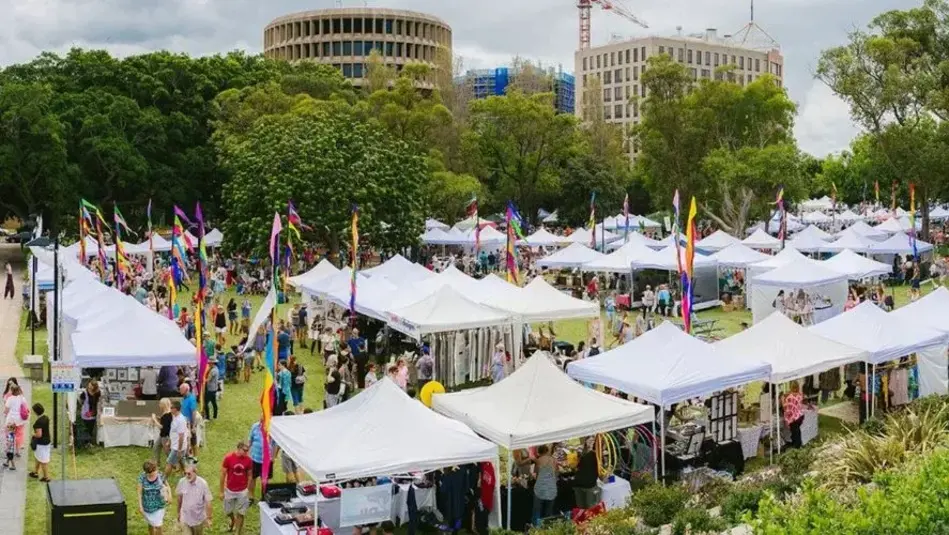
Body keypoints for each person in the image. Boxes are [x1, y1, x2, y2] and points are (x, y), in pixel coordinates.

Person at [220, 441, 253, 535]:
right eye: (245, 450)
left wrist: (247, 488)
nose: (247, 452)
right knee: (228, 511)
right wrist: (221, 491)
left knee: (241, 512)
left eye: (248, 450)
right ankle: (233, 520)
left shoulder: (248, 460)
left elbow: (250, 475)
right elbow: (223, 474)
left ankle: (237, 532)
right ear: (238, 448)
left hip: (242, 491)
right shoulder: (228, 458)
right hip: (230, 489)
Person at [176, 462, 213, 535]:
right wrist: (178, 512)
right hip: (185, 518)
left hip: (198, 519)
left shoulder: (203, 484)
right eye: (185, 473)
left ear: (195, 472)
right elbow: (179, 498)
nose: (187, 476)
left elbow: (208, 502)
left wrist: (209, 518)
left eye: (189, 473)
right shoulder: (182, 482)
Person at [247, 418, 278, 501]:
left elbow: (275, 444)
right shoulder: (255, 426)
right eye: (262, 419)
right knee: (252, 478)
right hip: (254, 458)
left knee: (265, 480)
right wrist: (246, 451)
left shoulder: (272, 429)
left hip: (267, 460)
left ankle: (264, 497)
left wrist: (274, 457)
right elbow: (250, 440)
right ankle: (251, 496)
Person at [139, 460, 169, 535]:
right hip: (147, 506)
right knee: (150, 523)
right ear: (147, 472)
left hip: (159, 505)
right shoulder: (142, 477)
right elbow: (139, 493)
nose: (155, 473)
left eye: (155, 470)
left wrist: (169, 496)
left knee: (158, 525)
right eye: (151, 472)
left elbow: (167, 486)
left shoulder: (160, 475)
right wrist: (140, 506)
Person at [531, 445, 558, 525]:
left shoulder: (538, 461)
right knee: (548, 513)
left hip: (540, 489)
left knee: (537, 512)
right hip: (551, 488)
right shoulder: (553, 460)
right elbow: (556, 473)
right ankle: (547, 529)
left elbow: (536, 474)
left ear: (539, 452)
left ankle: (535, 530)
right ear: (547, 451)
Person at [573, 437, 601, 509]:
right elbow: (574, 466)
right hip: (584, 484)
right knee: (586, 507)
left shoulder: (591, 455)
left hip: (584, 484)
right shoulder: (597, 457)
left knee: (586, 507)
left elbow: (578, 466)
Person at [165, 401, 189, 478]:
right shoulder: (175, 417)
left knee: (169, 463)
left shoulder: (180, 420)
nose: (170, 409)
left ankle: (163, 480)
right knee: (182, 462)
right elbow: (173, 431)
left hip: (177, 447)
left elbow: (181, 436)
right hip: (175, 445)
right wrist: (169, 441)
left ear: (176, 409)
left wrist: (179, 450)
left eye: (171, 408)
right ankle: (187, 475)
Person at [3, 379, 27, 454]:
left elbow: (6, 410)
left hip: (11, 420)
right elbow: (25, 408)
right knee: (19, 435)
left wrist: (5, 414)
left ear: (12, 391)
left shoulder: (10, 399)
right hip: (20, 420)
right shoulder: (22, 398)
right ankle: (18, 451)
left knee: (10, 435)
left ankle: (9, 450)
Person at [29, 403, 51, 482]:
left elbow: (39, 435)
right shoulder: (46, 418)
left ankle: (46, 477)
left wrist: (33, 434)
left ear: (35, 412)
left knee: (43, 461)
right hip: (47, 441)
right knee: (38, 457)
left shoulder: (38, 422)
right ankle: (35, 472)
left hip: (41, 443)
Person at [783, 382, 805, 449]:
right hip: (800, 415)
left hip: (793, 417)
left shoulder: (789, 397)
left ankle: (797, 445)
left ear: (791, 387)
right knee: (797, 431)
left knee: (795, 432)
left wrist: (783, 400)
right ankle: (797, 443)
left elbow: (787, 408)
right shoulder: (800, 395)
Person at [77, 381, 99, 446]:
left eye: (92, 385)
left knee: (91, 428)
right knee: (86, 428)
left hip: (93, 413)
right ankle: (85, 443)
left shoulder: (96, 393)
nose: (90, 386)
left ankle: (89, 442)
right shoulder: (84, 393)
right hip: (86, 414)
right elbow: (81, 402)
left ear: (95, 387)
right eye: (89, 385)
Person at [152, 398, 173, 466]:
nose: (159, 405)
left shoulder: (167, 414)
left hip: (165, 436)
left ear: (164, 405)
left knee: (167, 452)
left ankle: (174, 465)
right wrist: (159, 419)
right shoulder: (166, 414)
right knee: (156, 447)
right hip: (162, 435)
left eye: (160, 404)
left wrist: (154, 419)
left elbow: (163, 427)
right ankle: (156, 462)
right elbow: (165, 423)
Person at [204, 357, 220, 421]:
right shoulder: (215, 368)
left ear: (212, 363)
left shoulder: (213, 370)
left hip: (211, 389)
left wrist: (201, 380)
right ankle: (215, 416)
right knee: (214, 403)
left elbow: (208, 380)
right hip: (214, 388)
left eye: (209, 363)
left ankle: (207, 417)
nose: (208, 363)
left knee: (206, 403)